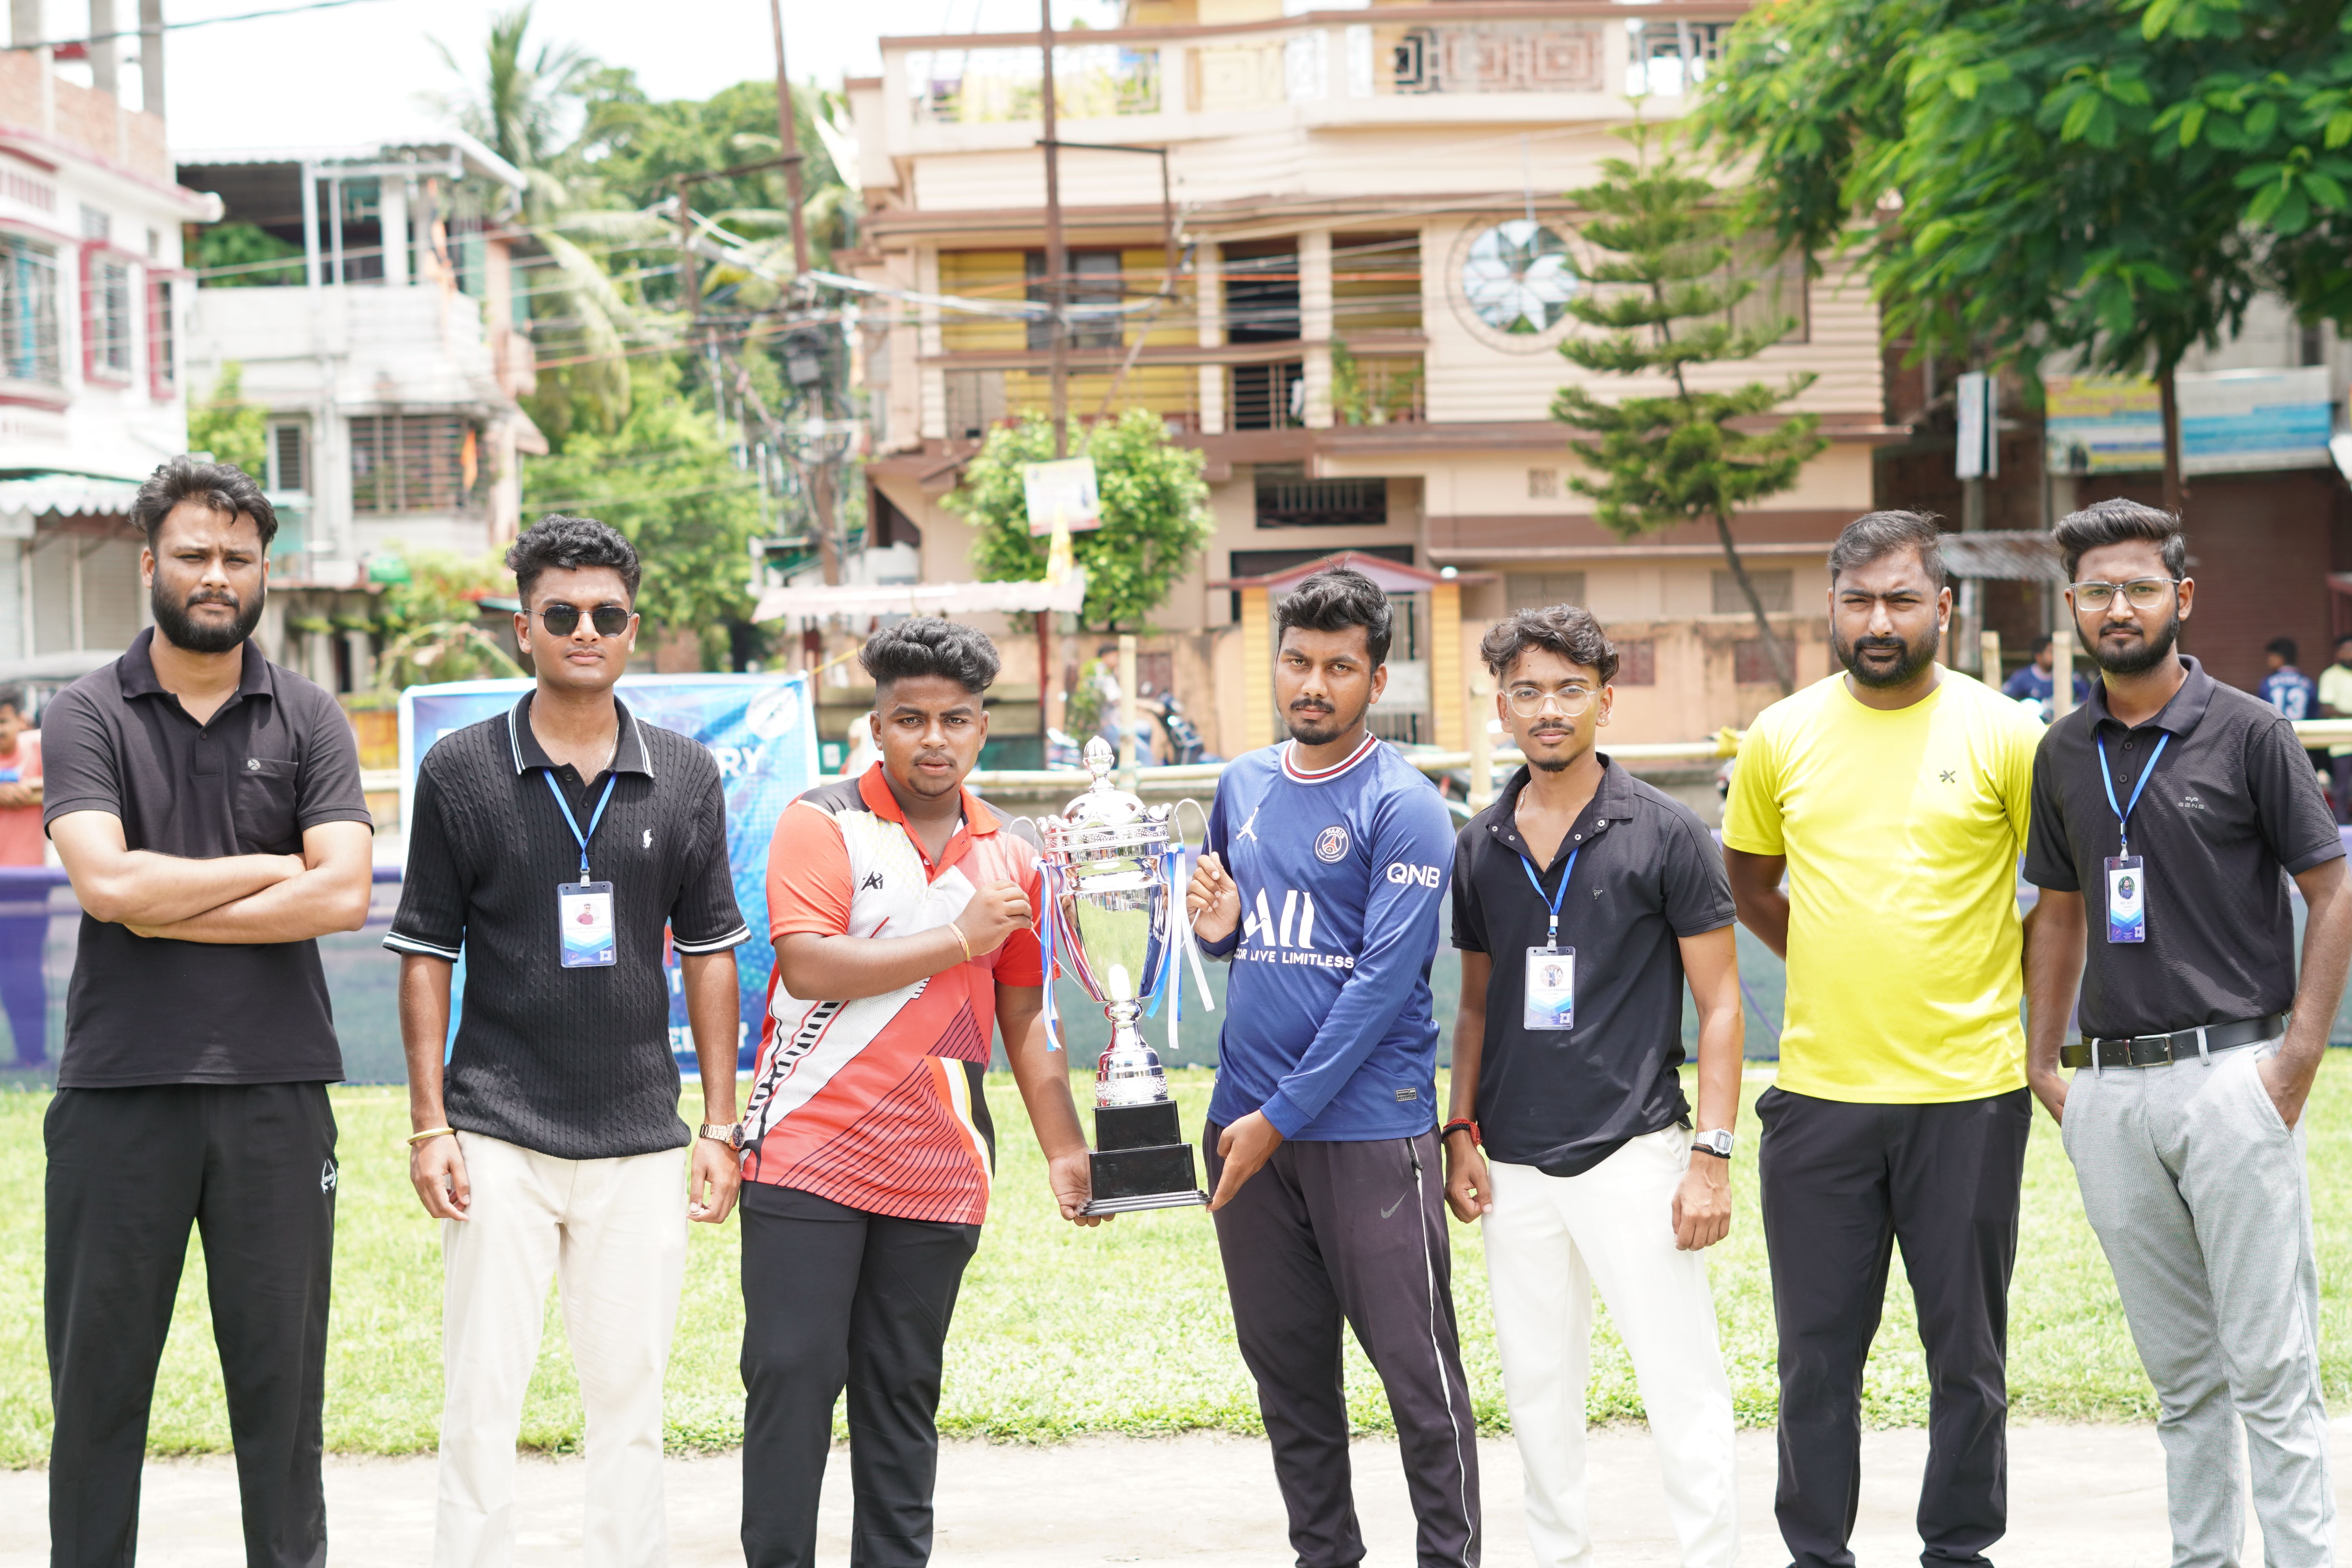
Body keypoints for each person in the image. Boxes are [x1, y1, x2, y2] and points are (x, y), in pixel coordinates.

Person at [386, 514, 750, 1568]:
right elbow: (423, 950)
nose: (584, 630)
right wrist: (428, 1127)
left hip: (640, 1138)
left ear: (634, 631)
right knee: (480, 1397)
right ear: (523, 631)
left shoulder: (686, 774)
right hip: (497, 1129)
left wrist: (719, 1126)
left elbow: (713, 951)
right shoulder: (459, 770)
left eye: (607, 615)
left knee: (632, 1400)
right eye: (561, 614)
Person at [42, 456, 374, 1568]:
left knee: (282, 1410)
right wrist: (267, 867)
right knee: (97, 1397)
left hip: (278, 1096)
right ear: (152, 563)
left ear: (264, 571)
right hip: (118, 1095)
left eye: (238, 556)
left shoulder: (312, 715)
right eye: (194, 552)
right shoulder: (85, 713)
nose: (216, 574)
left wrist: (161, 893)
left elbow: (341, 893)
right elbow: (105, 888)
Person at [2024, 498, 2352, 1568]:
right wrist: (2044, 1059)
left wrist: (2298, 1056)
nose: (2120, 609)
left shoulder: (2252, 730)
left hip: (2235, 1079)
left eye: (2141, 588)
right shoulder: (2064, 752)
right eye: (2098, 592)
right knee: (2183, 1383)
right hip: (2113, 1093)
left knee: (2272, 1371)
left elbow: (2332, 884)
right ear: (2074, 608)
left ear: (2183, 599)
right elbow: (2062, 910)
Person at [737, 617, 1098, 1568]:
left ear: (983, 728)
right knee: (791, 1378)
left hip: (939, 1167)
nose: (932, 739)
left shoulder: (1012, 853)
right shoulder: (820, 821)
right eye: (910, 719)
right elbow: (810, 966)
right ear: (877, 726)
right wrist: (958, 938)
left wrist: (1065, 1146)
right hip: (806, 1156)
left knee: (901, 1393)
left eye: (955, 719)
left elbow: (1027, 1017)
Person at [1722, 510, 2045, 1568]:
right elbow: (1752, 884)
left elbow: (2060, 901)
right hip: (1819, 1101)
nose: (1879, 620)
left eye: (1902, 599)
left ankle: (1959, 1550)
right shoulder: (1781, 735)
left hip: (1969, 1098)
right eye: (1858, 599)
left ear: (1943, 607)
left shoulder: (2006, 733)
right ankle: (1817, 1552)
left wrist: (2028, 1031)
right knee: (1816, 1358)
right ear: (1830, 605)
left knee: (1968, 1355)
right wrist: (1823, 953)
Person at [1185, 566, 1478, 1568]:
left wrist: (1276, 1118)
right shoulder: (1243, 784)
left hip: (1364, 1130)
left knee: (1418, 1380)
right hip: (1246, 1128)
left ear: (1376, 677)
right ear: (1276, 663)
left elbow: (1382, 989)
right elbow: (1246, 935)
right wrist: (1222, 935)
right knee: (1290, 1383)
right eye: (1299, 661)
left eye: (1340, 666)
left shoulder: (1407, 806)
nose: (1315, 683)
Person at [1443, 604, 1744, 1568]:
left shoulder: (1665, 832)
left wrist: (1710, 1154)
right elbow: (1478, 1006)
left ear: (1605, 700)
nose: (1549, 708)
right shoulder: (1480, 843)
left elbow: (1725, 1006)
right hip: (1516, 1166)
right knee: (1537, 1393)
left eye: (1570, 688)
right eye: (1527, 690)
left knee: (1681, 1386)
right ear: (1501, 707)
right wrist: (1460, 1131)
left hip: (1636, 1152)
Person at [0, 682, 49, 1066]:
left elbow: (73, 783)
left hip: (27, 885)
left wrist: (22, 786)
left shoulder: (37, 750)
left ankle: (32, 1056)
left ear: (21, 721)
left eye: (2, 722)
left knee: (25, 975)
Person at [1999, 633, 2092, 721]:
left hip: (2063, 725)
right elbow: (2004, 699)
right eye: (2051, 652)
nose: (2056, 656)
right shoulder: (2022, 677)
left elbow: (2086, 698)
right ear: (2039, 657)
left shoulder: (2069, 676)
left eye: (2057, 652)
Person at [2315, 633, 2352, 824]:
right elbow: (2327, 708)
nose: (2348, 654)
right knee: (2341, 791)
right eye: (2345, 650)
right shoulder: (2331, 675)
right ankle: (2344, 831)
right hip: (2341, 744)